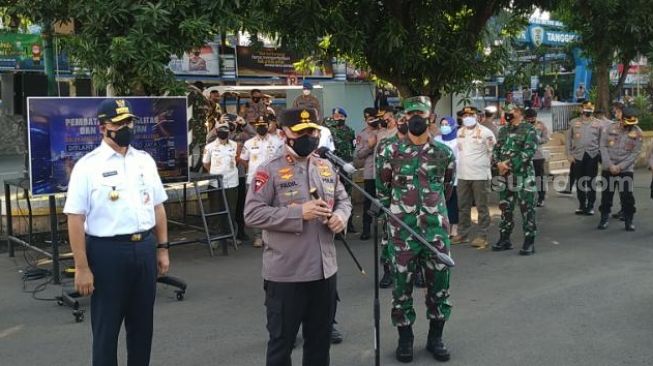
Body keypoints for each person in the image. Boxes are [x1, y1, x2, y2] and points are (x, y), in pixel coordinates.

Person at [64, 98, 170, 366]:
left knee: (142, 328)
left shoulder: (144, 160)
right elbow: (75, 219)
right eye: (119, 123)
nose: (126, 127)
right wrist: (81, 267)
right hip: (107, 253)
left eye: (129, 121)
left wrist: (162, 248)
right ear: (102, 128)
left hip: (144, 248)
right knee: (106, 330)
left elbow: (157, 207)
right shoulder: (88, 166)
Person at [244, 108, 352, 366]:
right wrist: (297, 214)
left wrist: (341, 217)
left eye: (312, 131)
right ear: (283, 135)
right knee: (282, 343)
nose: (309, 136)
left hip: (324, 272)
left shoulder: (325, 166)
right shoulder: (268, 170)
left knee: (319, 342)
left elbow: (344, 200)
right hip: (287, 275)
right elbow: (252, 214)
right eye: (301, 132)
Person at [377, 96, 455, 363]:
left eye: (421, 113)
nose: (416, 118)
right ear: (404, 119)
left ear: (430, 116)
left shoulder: (444, 153)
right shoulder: (390, 151)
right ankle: (405, 339)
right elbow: (382, 191)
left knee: (439, 288)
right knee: (401, 288)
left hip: (435, 232)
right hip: (402, 233)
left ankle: (435, 338)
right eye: (411, 114)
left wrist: (432, 212)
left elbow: (447, 187)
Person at [491, 106, 538, 255]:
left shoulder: (529, 129)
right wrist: (498, 163)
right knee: (505, 207)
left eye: (511, 111)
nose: (508, 113)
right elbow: (496, 149)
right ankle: (504, 238)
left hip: (523, 176)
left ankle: (529, 241)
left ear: (519, 113)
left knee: (527, 209)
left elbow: (528, 152)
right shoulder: (503, 130)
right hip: (504, 176)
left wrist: (508, 164)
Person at [452, 109, 495, 249]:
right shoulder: (460, 132)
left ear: (477, 116)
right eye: (464, 116)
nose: (467, 118)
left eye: (470, 115)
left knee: (481, 207)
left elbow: (491, 151)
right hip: (463, 175)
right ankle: (462, 234)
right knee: (463, 207)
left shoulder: (486, 132)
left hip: (480, 176)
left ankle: (483, 236)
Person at [375, 114, 408, 289]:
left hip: (415, 202)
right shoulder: (386, 144)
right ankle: (388, 271)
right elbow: (381, 175)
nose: (404, 124)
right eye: (401, 121)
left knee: (415, 238)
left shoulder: (419, 145)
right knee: (388, 238)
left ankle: (416, 272)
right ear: (396, 123)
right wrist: (383, 200)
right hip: (392, 200)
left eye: (406, 121)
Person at [240, 115, 284, 247]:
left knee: (274, 207)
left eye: (264, 125)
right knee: (256, 208)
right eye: (259, 125)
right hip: (254, 179)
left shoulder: (277, 142)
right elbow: (243, 159)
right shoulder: (249, 143)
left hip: (274, 179)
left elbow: (283, 159)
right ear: (255, 126)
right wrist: (252, 169)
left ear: (269, 125)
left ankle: (273, 235)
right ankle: (258, 236)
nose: (262, 127)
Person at [597, 108, 643, 231]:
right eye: (627, 124)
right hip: (608, 167)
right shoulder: (609, 128)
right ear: (622, 119)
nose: (630, 127)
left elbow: (635, 154)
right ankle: (604, 217)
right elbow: (602, 146)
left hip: (626, 169)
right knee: (607, 195)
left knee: (627, 196)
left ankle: (629, 220)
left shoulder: (638, 133)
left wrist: (620, 167)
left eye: (632, 124)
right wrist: (609, 165)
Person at [203, 122, 239, 245]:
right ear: (217, 131)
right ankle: (215, 237)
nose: (223, 131)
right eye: (221, 129)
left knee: (231, 209)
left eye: (226, 129)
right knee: (215, 209)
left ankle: (230, 236)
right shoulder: (210, 147)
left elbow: (237, 160)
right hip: (215, 183)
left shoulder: (235, 145)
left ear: (229, 131)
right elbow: (206, 163)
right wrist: (214, 172)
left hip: (232, 182)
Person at [565, 101, 602, 215]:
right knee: (579, 181)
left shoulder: (599, 123)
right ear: (581, 109)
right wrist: (569, 154)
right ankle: (582, 205)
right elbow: (568, 139)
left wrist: (600, 155)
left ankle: (590, 206)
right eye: (586, 109)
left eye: (590, 109)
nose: (588, 111)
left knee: (591, 182)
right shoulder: (573, 122)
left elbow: (602, 141)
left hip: (592, 155)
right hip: (578, 156)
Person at [324, 107, 357, 232]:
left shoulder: (350, 131)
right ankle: (332, 222)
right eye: (335, 116)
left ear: (345, 117)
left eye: (340, 117)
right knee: (331, 193)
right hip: (331, 165)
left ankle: (349, 222)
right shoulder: (328, 129)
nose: (337, 119)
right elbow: (325, 122)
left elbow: (353, 147)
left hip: (346, 165)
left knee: (346, 194)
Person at [354, 107, 382, 240]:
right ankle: (366, 229)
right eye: (370, 119)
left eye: (374, 118)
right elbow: (358, 154)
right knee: (368, 201)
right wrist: (370, 146)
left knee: (385, 200)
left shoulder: (384, 131)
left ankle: (387, 229)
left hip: (384, 172)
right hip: (370, 173)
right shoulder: (362, 134)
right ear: (365, 120)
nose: (373, 121)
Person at [434, 116, 459, 238]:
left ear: (453, 126)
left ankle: (454, 227)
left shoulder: (459, 140)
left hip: (455, 176)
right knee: (442, 202)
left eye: (446, 124)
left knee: (453, 202)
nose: (444, 126)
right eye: (442, 124)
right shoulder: (437, 139)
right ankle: (444, 226)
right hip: (439, 175)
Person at [525, 108, 550, 207]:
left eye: (532, 118)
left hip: (538, 155)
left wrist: (538, 140)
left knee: (539, 178)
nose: (530, 120)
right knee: (526, 178)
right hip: (525, 155)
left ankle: (541, 197)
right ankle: (527, 197)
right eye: (528, 118)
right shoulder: (522, 126)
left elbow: (546, 138)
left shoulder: (541, 125)